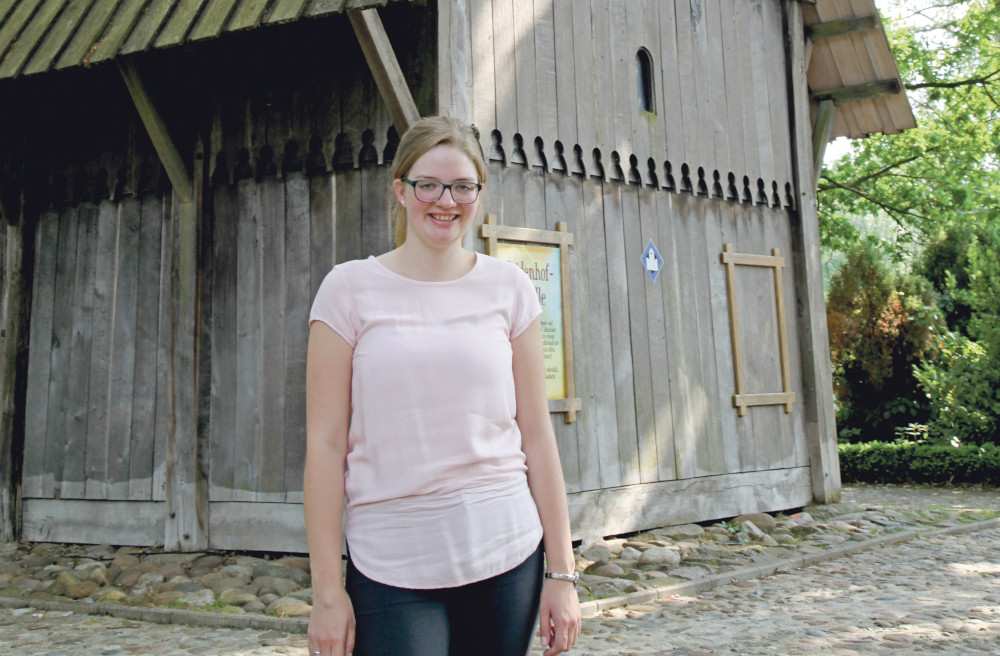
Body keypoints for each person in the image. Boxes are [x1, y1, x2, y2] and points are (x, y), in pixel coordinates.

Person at [304, 115, 581, 656]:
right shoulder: (347, 291)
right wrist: (327, 592)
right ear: (400, 190)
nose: (445, 201)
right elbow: (325, 445)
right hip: (390, 561)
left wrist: (562, 574)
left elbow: (536, 434)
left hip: (506, 553)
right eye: (428, 184)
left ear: (479, 193)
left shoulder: (510, 289)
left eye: (462, 186)